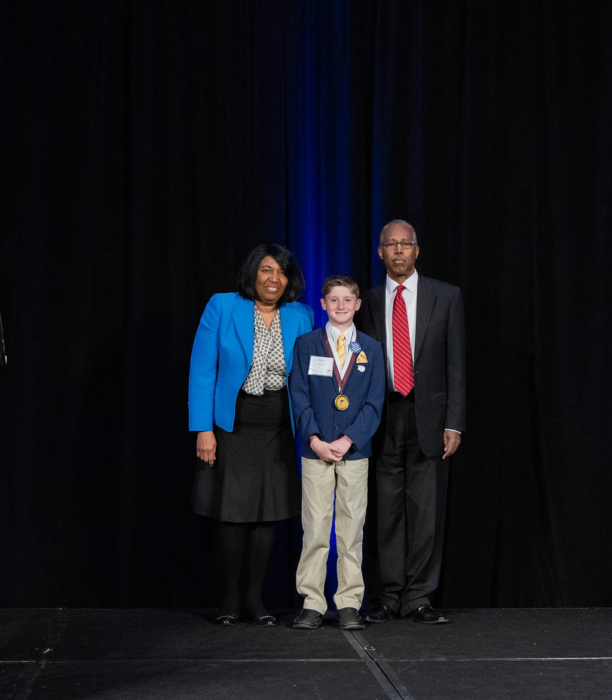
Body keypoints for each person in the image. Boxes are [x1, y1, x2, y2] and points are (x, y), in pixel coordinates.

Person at [188, 244, 314, 626]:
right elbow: (202, 370)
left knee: (266, 515)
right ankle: (229, 601)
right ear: (253, 273)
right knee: (231, 514)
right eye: (266, 270)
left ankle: (255, 600)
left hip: (277, 429)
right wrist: (203, 429)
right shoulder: (223, 306)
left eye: (282, 272)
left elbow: (307, 376)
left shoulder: (301, 315)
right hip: (232, 425)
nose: (274, 279)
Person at [357, 220, 466, 624]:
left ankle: (418, 595)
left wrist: (454, 422)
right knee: (385, 510)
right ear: (380, 252)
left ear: (417, 250)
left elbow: (456, 365)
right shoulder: (366, 301)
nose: (399, 250)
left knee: (424, 510)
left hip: (429, 417)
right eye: (391, 244)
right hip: (382, 416)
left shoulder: (446, 296)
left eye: (406, 244)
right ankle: (388, 595)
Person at [290, 275, 385, 630]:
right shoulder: (307, 344)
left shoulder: (371, 348)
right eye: (334, 299)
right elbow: (298, 395)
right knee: (315, 527)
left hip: (354, 451)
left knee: (351, 529)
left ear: (358, 305)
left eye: (347, 300)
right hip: (315, 449)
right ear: (323, 304)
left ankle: (348, 602)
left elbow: (375, 403)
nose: (341, 306)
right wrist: (315, 439)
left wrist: (349, 440)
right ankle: (312, 602)